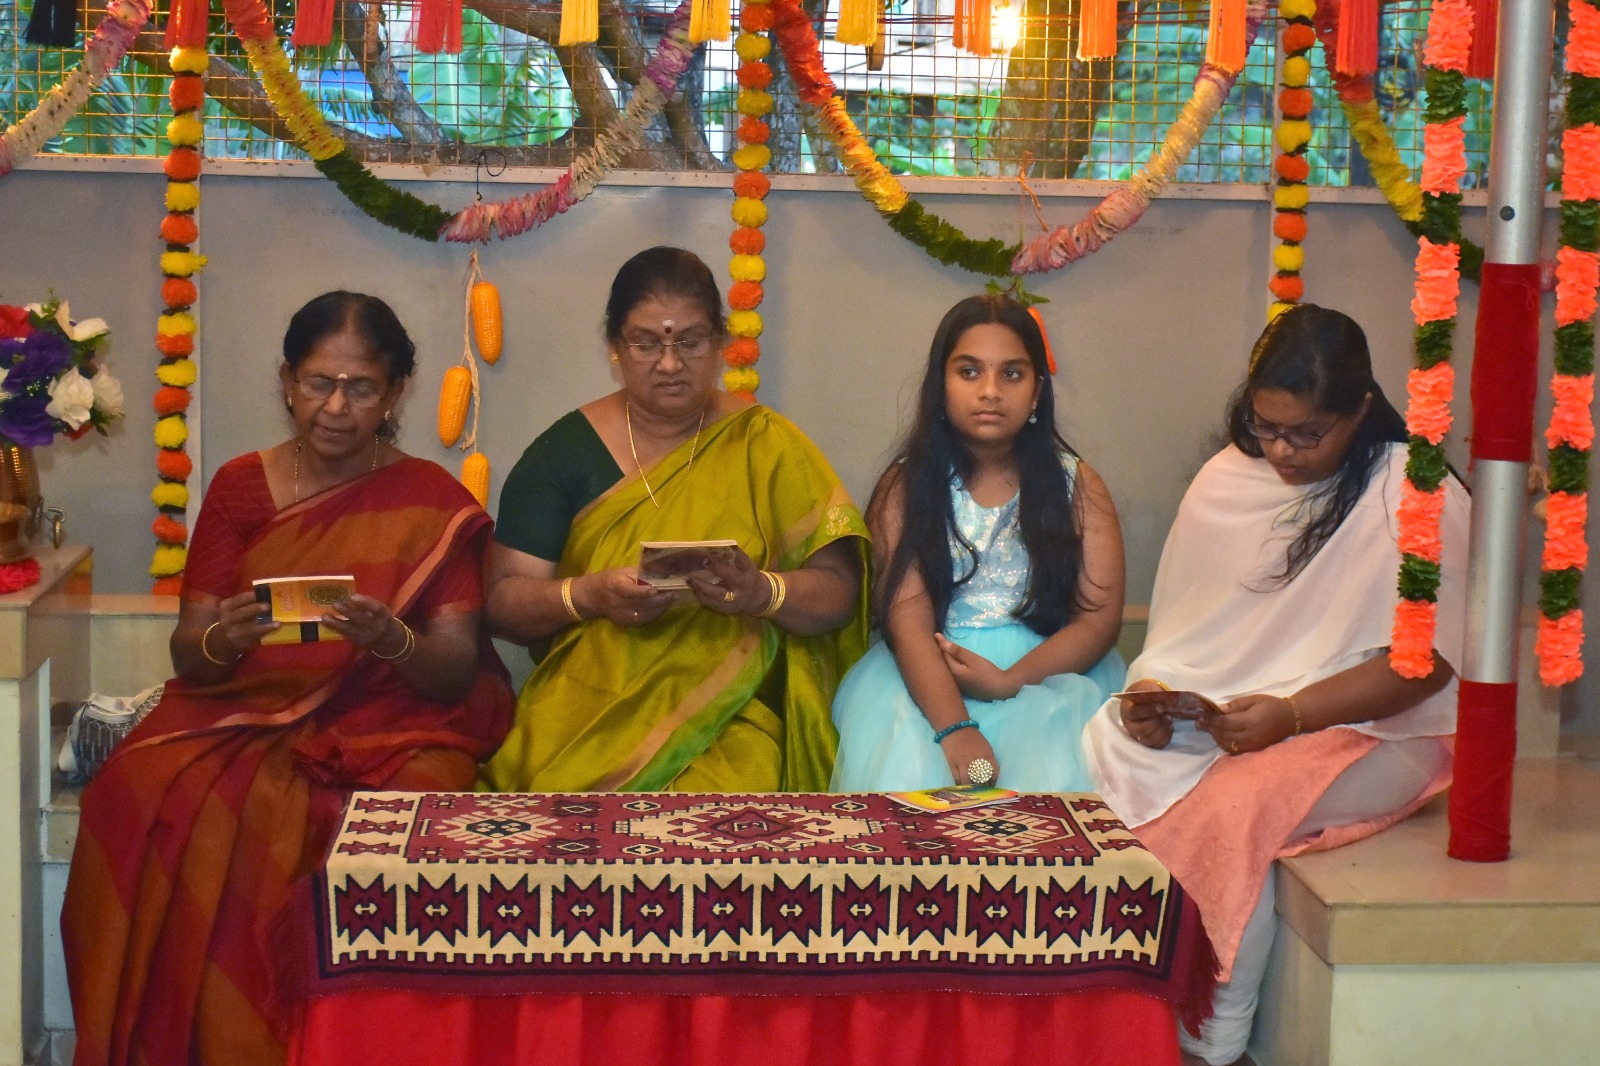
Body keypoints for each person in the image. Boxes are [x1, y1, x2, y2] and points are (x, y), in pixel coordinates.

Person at [61, 292, 515, 1066]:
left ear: (395, 392)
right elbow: (191, 653)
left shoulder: (433, 502)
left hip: (395, 724)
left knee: (407, 812)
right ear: (287, 383)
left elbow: (450, 674)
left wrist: (392, 639)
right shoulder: (241, 486)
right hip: (245, 710)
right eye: (317, 383)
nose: (335, 407)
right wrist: (226, 638)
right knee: (134, 791)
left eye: (360, 387)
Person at [1081, 304, 1470, 1066]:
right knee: (1107, 747)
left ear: (1360, 410)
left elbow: (1420, 665)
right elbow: (1185, 635)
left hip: (1380, 730)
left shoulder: (1413, 493)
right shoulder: (1228, 477)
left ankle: (1213, 1035)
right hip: (1241, 720)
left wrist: (1291, 715)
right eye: (1267, 427)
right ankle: (1125, 1009)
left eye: (1307, 433)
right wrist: (1154, 699)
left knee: (1235, 804)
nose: (1283, 451)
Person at [478, 246, 868, 793]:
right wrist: (589, 595)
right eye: (646, 343)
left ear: (721, 342)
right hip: (585, 709)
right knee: (552, 817)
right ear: (614, 346)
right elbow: (502, 604)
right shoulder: (563, 453)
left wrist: (761, 593)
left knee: (726, 813)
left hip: (729, 711)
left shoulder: (766, 443)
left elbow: (839, 593)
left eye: (690, 341)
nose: (668, 364)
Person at [830, 294, 1125, 792]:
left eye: (1012, 374)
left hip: (1050, 676)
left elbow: (1098, 620)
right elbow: (907, 622)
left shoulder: (1078, 485)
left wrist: (1010, 682)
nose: (990, 391)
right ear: (940, 385)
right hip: (930, 678)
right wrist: (955, 729)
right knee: (910, 769)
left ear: (1037, 391)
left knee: (1054, 777)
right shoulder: (904, 486)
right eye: (969, 372)